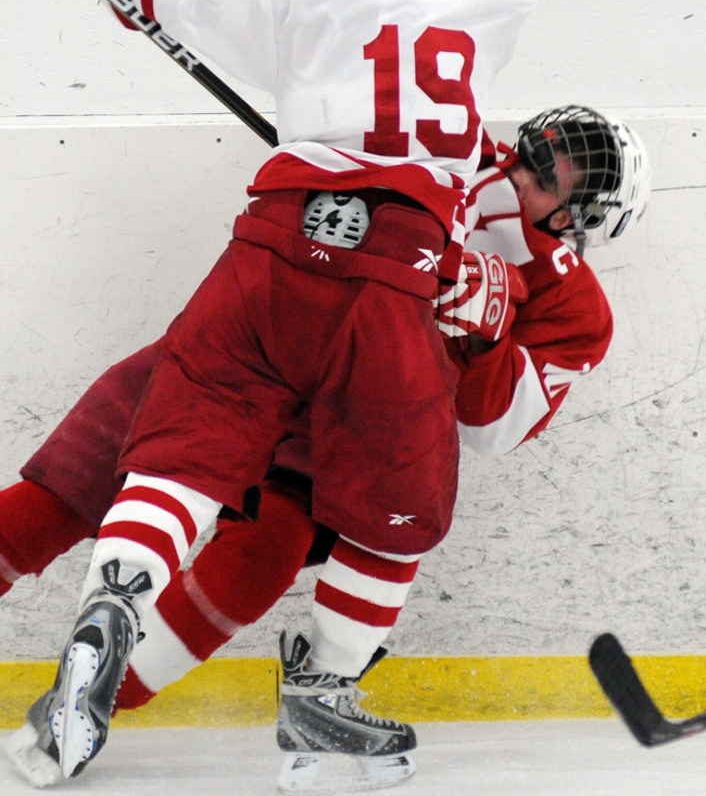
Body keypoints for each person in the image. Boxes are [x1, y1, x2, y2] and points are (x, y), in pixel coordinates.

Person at [22, 0, 538, 784]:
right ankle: (327, 694)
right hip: (399, 266)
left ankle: (117, 595)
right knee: (399, 501)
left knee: (190, 433)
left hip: (277, 246)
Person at [3, 106, 651, 790]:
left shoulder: (576, 313)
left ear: (582, 217)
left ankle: (85, 701)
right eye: (534, 153)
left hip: (339, 428)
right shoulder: (450, 149)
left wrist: (485, 337)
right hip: (249, 355)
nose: (524, 173)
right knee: (66, 491)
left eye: (554, 176)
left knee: (259, 560)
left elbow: (490, 429)